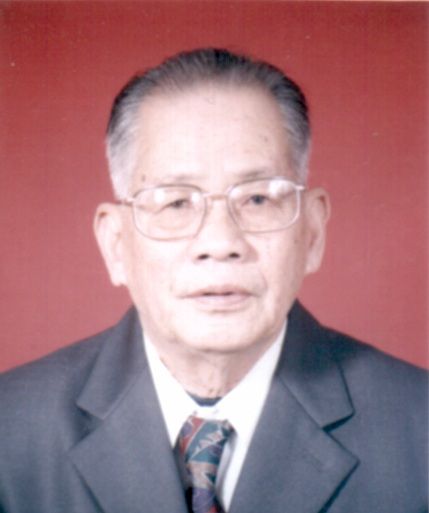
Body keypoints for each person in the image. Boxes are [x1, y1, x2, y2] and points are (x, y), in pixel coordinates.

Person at [0, 48, 427, 513]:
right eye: (175, 202)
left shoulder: (417, 430)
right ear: (116, 244)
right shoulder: (10, 429)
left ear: (312, 233)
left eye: (259, 199)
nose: (221, 243)